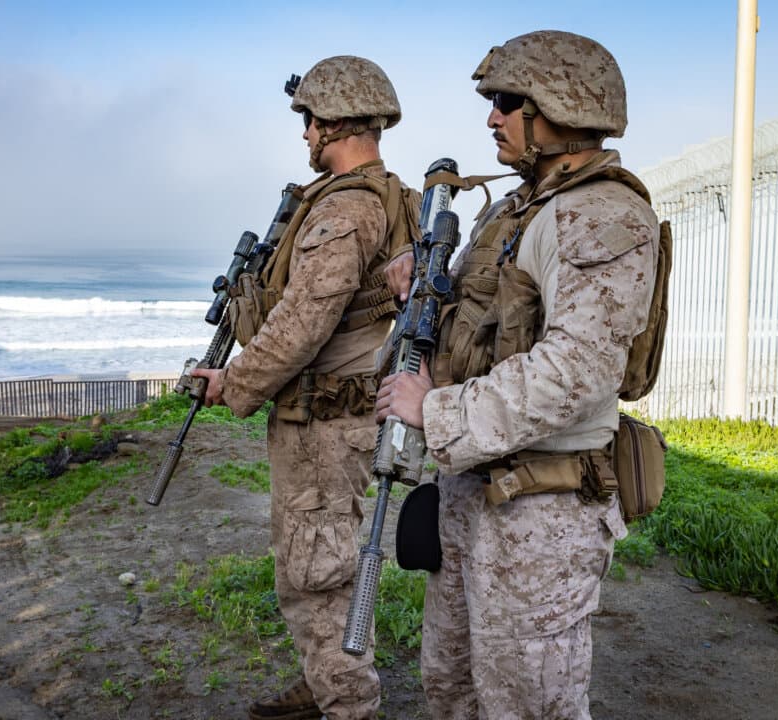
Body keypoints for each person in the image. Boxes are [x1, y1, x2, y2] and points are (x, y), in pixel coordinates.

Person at [376, 30, 660, 719]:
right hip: (475, 493)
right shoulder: (515, 208)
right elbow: (483, 329)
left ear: (560, 107)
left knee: (528, 703)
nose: (492, 117)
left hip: (541, 510)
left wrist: (437, 413)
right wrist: (420, 292)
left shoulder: (604, 213)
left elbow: (579, 368)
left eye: (508, 101)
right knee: (454, 687)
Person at [192, 56, 419, 720]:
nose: (305, 134)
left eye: (311, 120)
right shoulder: (386, 194)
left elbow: (302, 323)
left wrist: (232, 384)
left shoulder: (348, 206)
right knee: (313, 562)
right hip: (328, 414)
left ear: (338, 120)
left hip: (326, 422)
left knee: (317, 572)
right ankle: (324, 680)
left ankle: (347, 703)